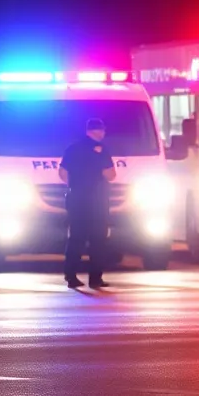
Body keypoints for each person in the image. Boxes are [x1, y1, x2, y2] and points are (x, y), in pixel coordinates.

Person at [59, 118, 117, 289]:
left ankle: (70, 276)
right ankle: (95, 278)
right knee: (98, 240)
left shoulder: (72, 148)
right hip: (97, 201)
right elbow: (111, 175)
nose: (103, 134)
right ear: (98, 131)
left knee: (76, 238)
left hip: (76, 199)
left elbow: (62, 172)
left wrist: (76, 185)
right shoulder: (101, 150)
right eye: (102, 131)